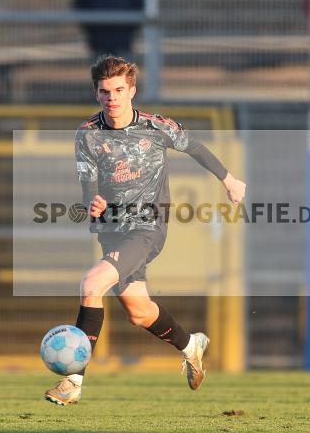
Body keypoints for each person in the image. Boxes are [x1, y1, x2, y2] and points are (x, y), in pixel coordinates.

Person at [44, 55, 247, 405]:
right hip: (112, 231)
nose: (113, 98)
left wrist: (229, 180)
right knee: (139, 312)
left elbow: (195, 147)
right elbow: (87, 184)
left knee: (91, 284)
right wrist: (93, 200)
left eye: (119, 90)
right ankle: (191, 345)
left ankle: (73, 382)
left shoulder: (155, 127)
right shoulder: (88, 134)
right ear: (96, 94)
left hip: (147, 227)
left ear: (132, 91)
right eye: (105, 91)